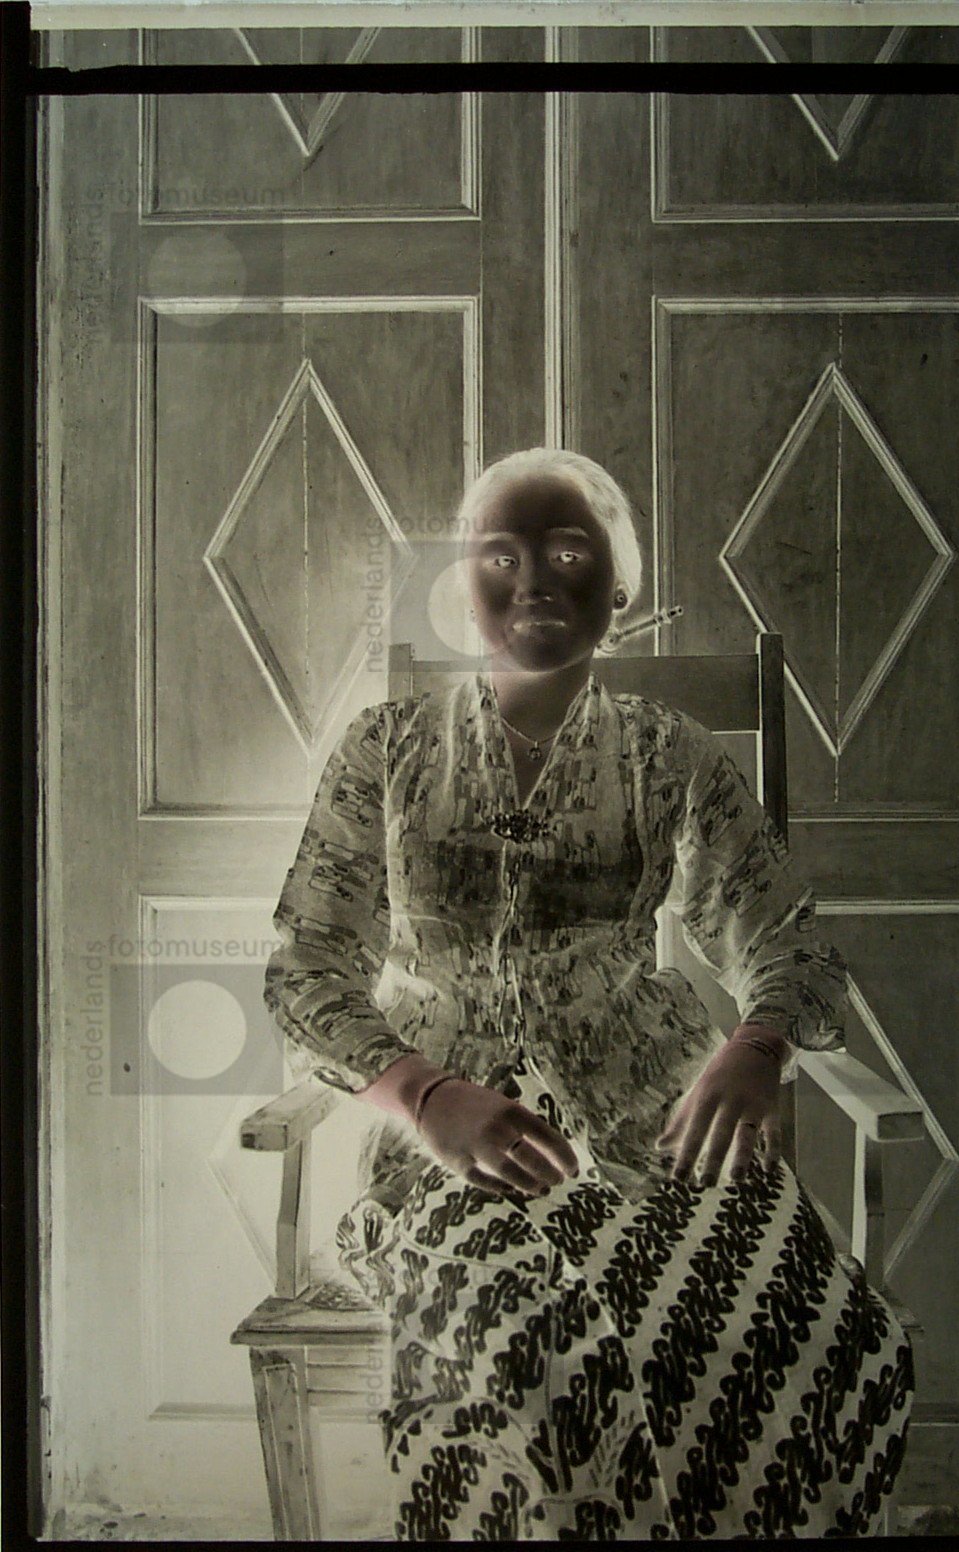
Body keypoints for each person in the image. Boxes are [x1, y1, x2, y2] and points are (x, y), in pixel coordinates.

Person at [264, 447, 915, 1540]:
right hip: (441, 1157)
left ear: (619, 588)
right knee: (539, 1356)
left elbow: (786, 938)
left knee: (813, 1339)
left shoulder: (671, 755)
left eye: (569, 554)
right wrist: (426, 1097)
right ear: (463, 586)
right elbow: (306, 968)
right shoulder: (385, 750)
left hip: (659, 1128)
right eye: (499, 557)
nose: (533, 582)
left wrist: (755, 1046)